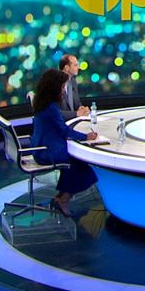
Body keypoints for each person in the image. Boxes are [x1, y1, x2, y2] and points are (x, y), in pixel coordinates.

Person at [30, 69, 99, 216]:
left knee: (75, 162)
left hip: (40, 147)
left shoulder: (41, 102)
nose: (63, 90)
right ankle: (64, 200)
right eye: (61, 86)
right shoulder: (51, 107)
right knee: (83, 167)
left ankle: (60, 197)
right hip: (47, 152)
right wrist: (86, 137)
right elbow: (64, 131)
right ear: (54, 87)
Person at [57, 54, 90, 120]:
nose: (78, 67)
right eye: (75, 65)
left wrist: (81, 108)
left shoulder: (73, 81)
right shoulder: (54, 84)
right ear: (67, 68)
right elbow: (54, 113)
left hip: (73, 121)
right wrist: (77, 114)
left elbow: (77, 103)